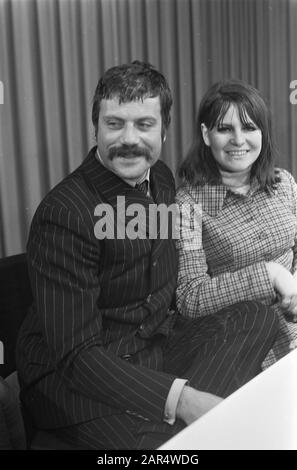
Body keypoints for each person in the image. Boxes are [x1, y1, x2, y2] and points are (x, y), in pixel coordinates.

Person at [16, 63, 278, 450]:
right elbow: (76, 356)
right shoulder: (66, 213)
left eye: (143, 124)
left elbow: (165, 276)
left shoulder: (164, 181)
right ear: (96, 128)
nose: (128, 139)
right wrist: (184, 399)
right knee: (165, 445)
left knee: (256, 317)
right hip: (72, 375)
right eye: (115, 124)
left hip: (148, 349)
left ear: (164, 131)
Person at [177, 79, 297, 370]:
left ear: (262, 134)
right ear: (206, 135)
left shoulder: (284, 183)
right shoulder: (186, 204)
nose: (239, 140)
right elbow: (190, 297)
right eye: (225, 129)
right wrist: (269, 275)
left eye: (249, 128)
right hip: (244, 353)